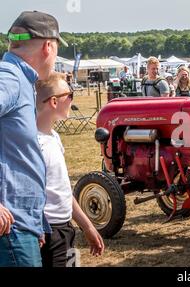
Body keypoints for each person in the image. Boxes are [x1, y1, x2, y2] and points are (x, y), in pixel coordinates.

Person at [0, 11, 67, 267]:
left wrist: (35, 221)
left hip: (20, 225)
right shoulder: (11, 78)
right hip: (10, 229)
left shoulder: (19, 80)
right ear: (48, 46)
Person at [35, 72, 104, 267]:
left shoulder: (54, 137)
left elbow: (64, 190)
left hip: (66, 228)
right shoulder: (34, 144)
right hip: (48, 233)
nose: (73, 99)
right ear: (54, 102)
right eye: (70, 94)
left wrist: (87, 226)